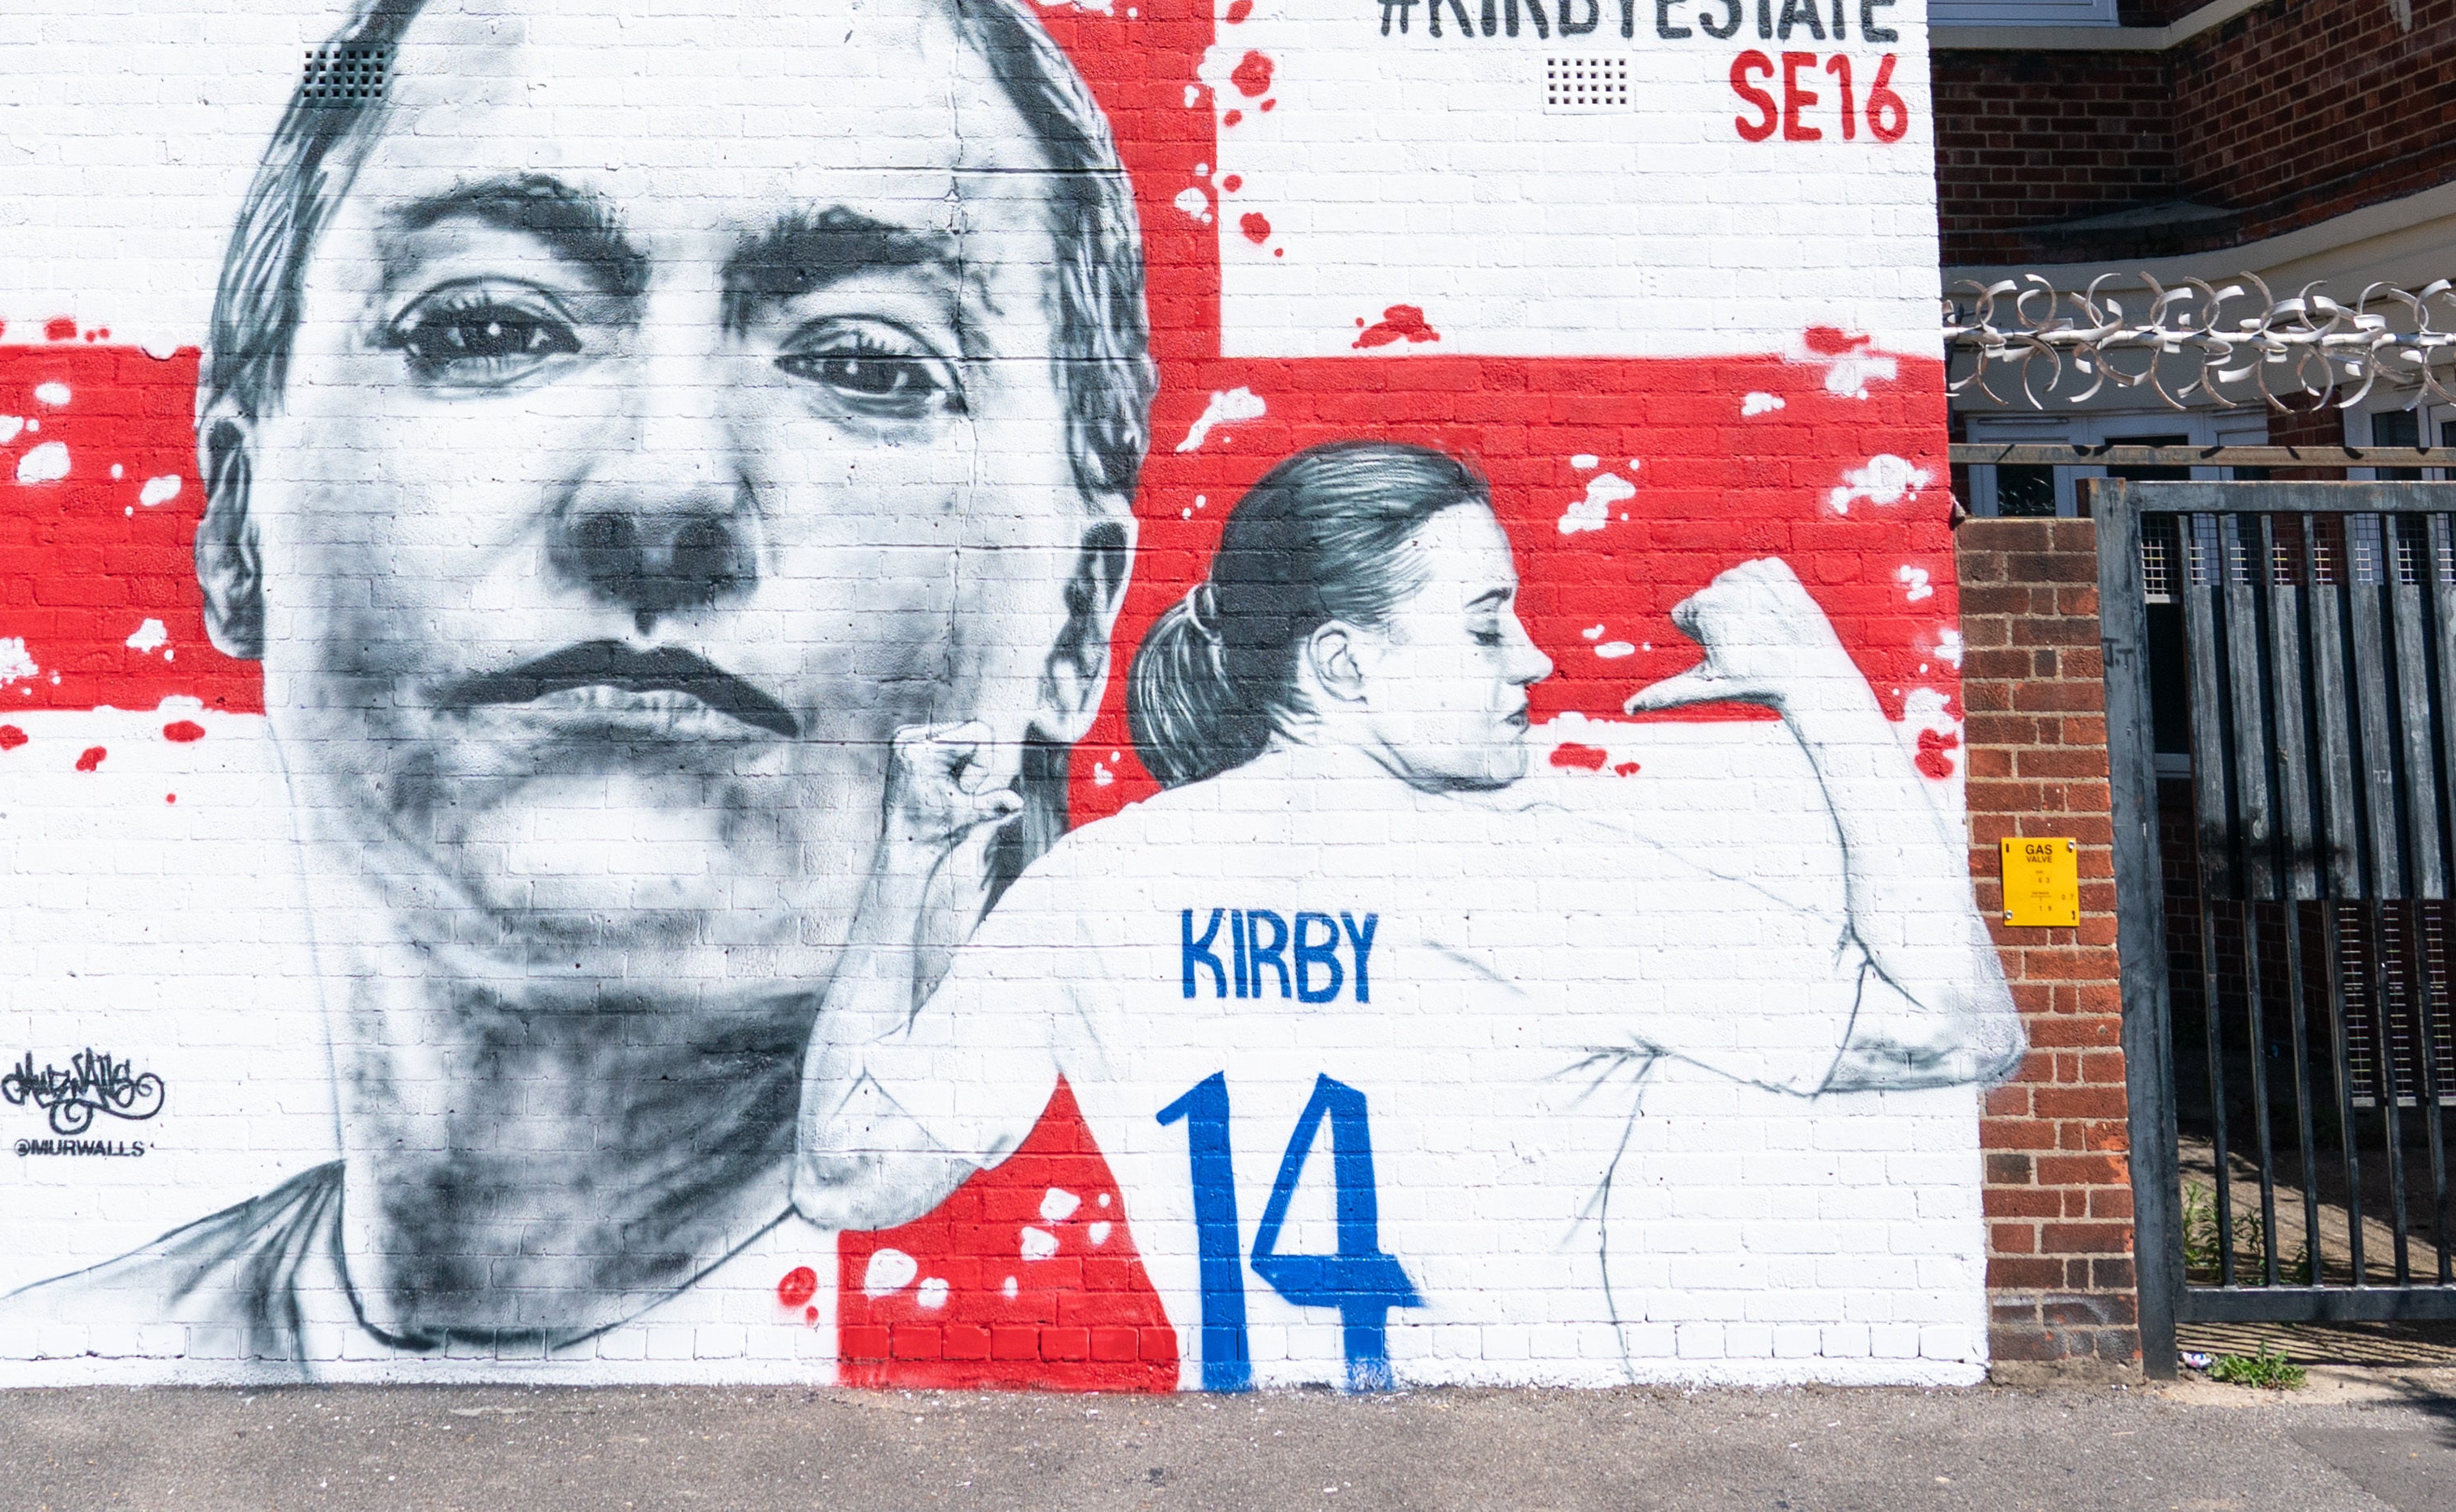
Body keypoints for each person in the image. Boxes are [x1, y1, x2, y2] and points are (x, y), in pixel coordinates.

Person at [0, 0, 1153, 1378]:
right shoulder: (76, 1348)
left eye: (867, 362)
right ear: (235, 520)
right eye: (491, 324)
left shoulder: (1131, 1298)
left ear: (1075, 620)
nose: (663, 493)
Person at [795, 441, 2021, 1388]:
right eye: (1487, 622)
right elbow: (1958, 1033)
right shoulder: (1547, 883)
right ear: (1338, 665)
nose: (1532, 661)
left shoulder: (1094, 883)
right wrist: (1823, 687)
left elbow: (846, 1178)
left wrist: (904, 860)